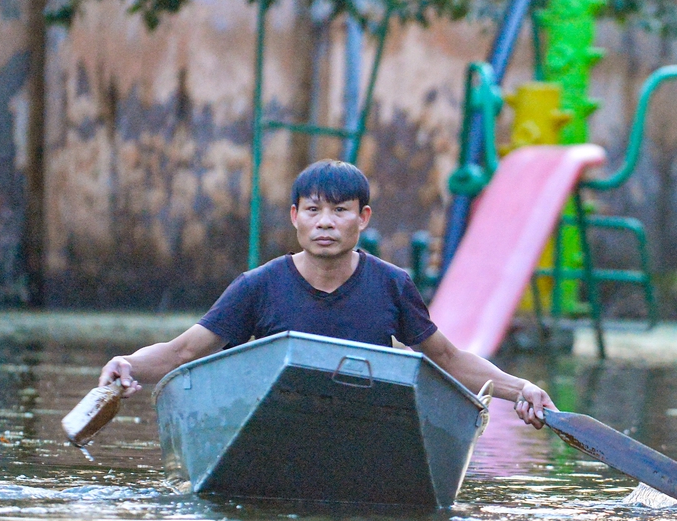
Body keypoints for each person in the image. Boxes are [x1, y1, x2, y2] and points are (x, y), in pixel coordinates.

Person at [97, 160, 555, 428]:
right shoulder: (258, 286)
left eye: (340, 211)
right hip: (280, 425)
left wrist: (522, 389)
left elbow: (448, 361)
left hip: (367, 425)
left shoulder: (393, 285)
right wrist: (128, 365)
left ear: (364, 218)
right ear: (295, 216)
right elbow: (182, 353)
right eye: (313, 210)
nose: (325, 222)